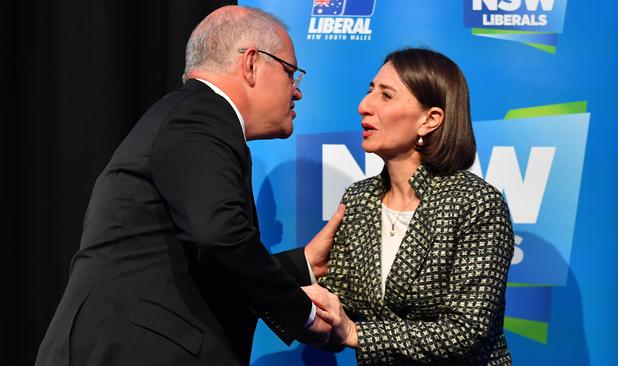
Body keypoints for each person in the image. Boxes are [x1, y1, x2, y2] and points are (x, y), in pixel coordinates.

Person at [35, 6, 344, 366]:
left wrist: (302, 263)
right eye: (291, 73)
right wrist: (303, 315)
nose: (297, 92)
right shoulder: (200, 116)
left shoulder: (191, 116)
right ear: (251, 64)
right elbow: (217, 236)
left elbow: (204, 267)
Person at [303, 48, 514, 365]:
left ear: (430, 120)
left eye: (386, 96)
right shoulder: (360, 199)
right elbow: (337, 314)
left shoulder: (475, 202)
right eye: (370, 90)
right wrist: (313, 307)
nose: (364, 106)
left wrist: (356, 334)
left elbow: (467, 330)